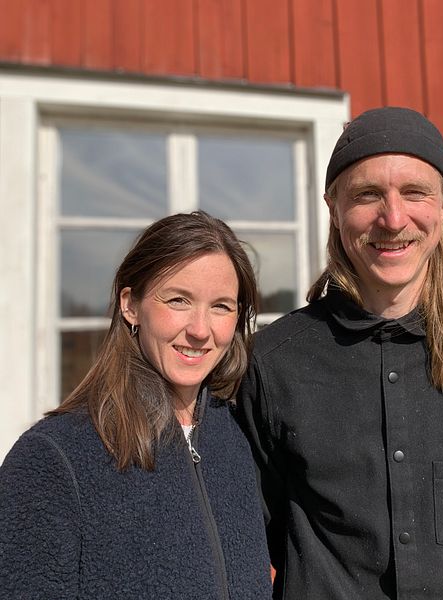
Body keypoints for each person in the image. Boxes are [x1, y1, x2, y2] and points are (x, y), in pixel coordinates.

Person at [238, 107, 443, 599]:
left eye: (415, 193)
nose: (394, 218)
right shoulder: (274, 361)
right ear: (333, 207)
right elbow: (264, 517)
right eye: (367, 195)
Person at [0, 211, 272, 599]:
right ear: (131, 305)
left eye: (221, 306)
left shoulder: (239, 441)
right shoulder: (53, 459)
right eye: (178, 300)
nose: (200, 329)